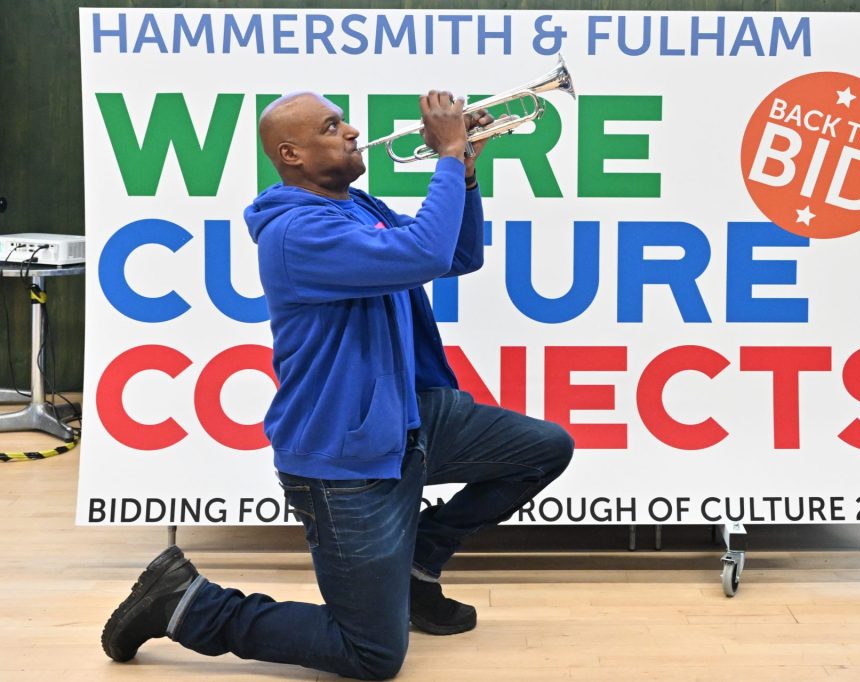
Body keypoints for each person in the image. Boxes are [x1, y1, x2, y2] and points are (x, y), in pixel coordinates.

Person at [100, 90, 575, 680]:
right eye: (332, 126)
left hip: (409, 418)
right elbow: (423, 252)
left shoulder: (354, 206)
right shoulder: (297, 232)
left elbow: (456, 253)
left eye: (343, 121)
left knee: (544, 449)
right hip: (345, 457)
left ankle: (417, 565)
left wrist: (467, 174)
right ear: (291, 153)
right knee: (371, 655)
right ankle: (187, 603)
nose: (351, 131)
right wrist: (448, 155)